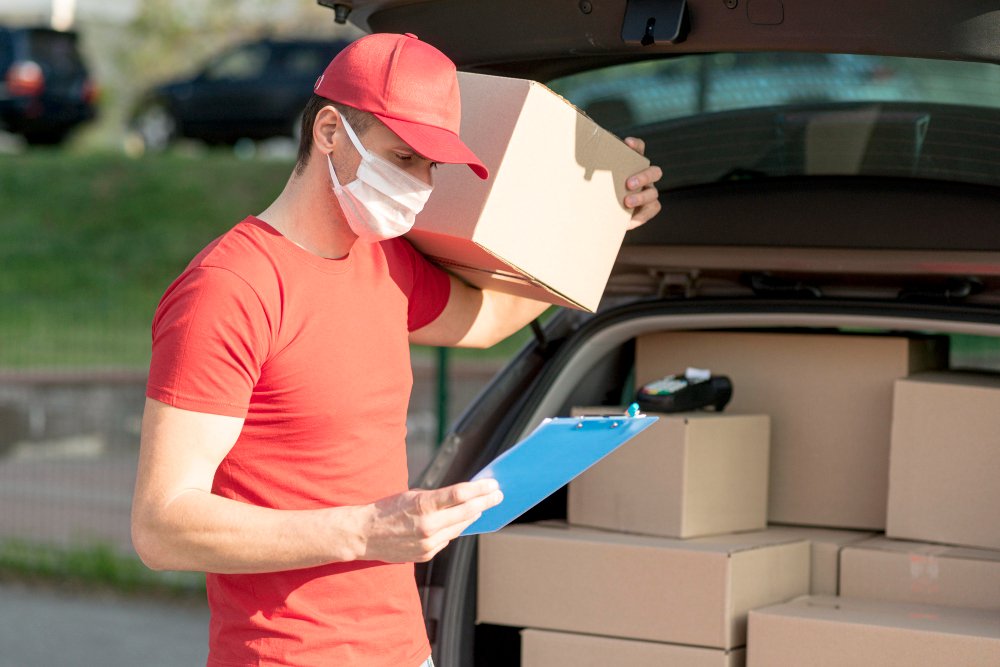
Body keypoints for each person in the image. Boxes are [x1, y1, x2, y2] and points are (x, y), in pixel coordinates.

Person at [131, 32, 662, 667]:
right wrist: (366, 530)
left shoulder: (380, 258)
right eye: (403, 157)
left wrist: (602, 223)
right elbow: (162, 525)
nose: (419, 183)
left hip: (403, 650)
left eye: (431, 166)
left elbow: (487, 320)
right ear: (329, 131)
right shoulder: (232, 288)